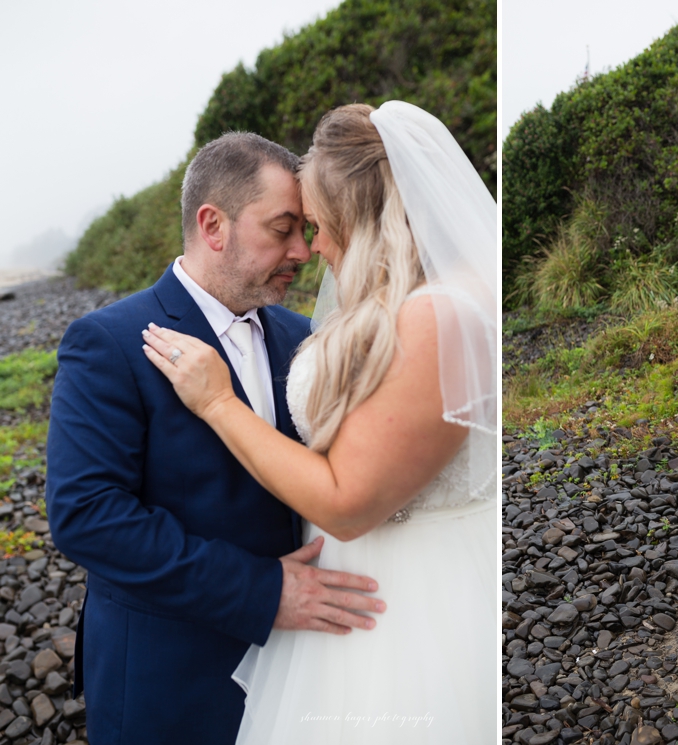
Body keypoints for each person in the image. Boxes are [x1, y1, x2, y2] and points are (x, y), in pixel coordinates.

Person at [141, 101, 496, 743]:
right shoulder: (406, 308)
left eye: (319, 224)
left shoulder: (437, 315)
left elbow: (346, 500)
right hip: (357, 592)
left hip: (410, 599)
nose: (313, 247)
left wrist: (220, 403)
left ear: (361, 216)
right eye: (294, 227)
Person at [46, 132, 385, 744]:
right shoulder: (110, 342)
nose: (303, 252)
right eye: (281, 229)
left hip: (300, 671)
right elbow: (87, 516)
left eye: (305, 230)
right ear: (213, 225)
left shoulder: (302, 335)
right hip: (169, 678)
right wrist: (262, 591)